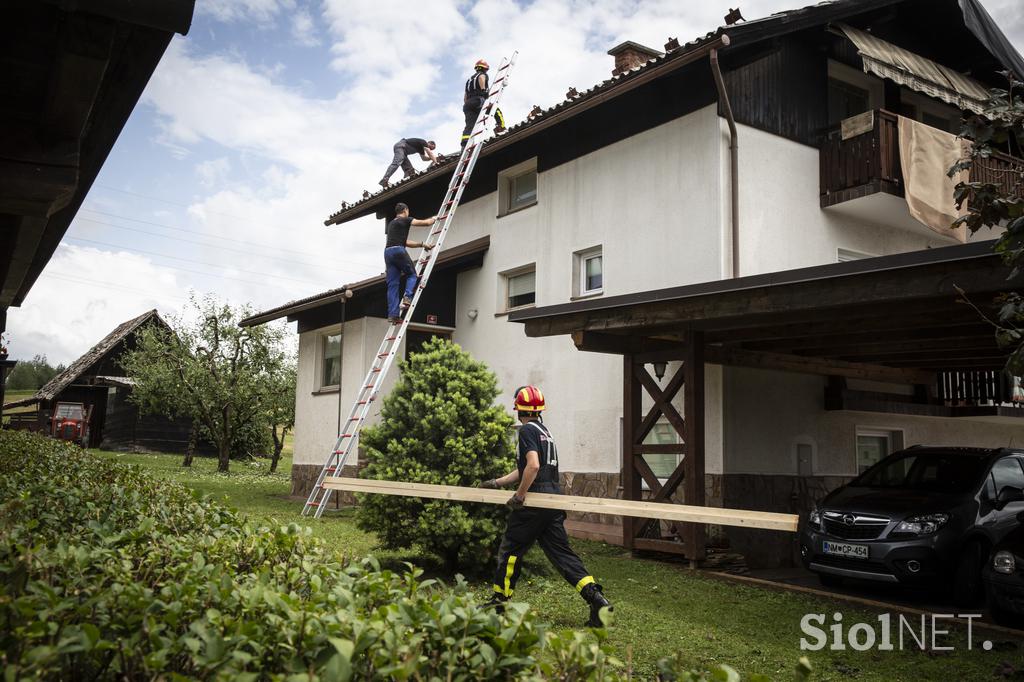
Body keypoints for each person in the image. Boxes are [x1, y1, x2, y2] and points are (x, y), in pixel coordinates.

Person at [481, 385, 613, 627]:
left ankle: (500, 601)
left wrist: (520, 496)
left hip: (534, 504)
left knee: (510, 550)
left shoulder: (526, 432)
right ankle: (597, 599)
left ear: (518, 408)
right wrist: (496, 483)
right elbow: (529, 468)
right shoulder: (545, 431)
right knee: (563, 555)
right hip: (552, 501)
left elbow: (532, 466)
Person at [384, 203, 435, 324]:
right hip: (398, 251)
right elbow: (425, 223)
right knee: (412, 274)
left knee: (392, 285)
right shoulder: (406, 219)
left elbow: (405, 242)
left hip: (387, 253)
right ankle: (407, 296)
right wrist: (434, 218)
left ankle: (393, 315)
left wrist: (422, 244)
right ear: (405, 210)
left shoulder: (392, 223)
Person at [461, 59, 506, 148]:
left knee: (470, 125)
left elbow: (465, 96)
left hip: (467, 105)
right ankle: (501, 127)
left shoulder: (469, 80)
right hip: (478, 100)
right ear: (484, 68)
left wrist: (469, 104)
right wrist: (483, 91)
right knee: (495, 110)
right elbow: (482, 78)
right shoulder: (482, 74)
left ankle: (465, 142)